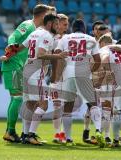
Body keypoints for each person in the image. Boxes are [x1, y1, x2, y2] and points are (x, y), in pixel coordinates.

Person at [1, 4, 53, 143]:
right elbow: (13, 36)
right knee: (18, 98)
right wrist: (10, 50)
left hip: (21, 67)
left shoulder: (37, 31)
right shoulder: (28, 25)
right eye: (48, 15)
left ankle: (17, 132)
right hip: (13, 64)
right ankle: (11, 131)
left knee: (22, 100)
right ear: (42, 15)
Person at [55, 19, 105, 147]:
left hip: (69, 74)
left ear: (72, 28)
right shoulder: (91, 39)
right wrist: (90, 70)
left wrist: (58, 73)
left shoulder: (65, 38)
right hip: (84, 73)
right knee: (93, 104)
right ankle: (99, 130)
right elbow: (98, 60)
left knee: (68, 107)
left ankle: (68, 138)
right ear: (84, 29)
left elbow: (56, 55)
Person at [49, 13, 69, 143]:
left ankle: (66, 134)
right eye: (64, 24)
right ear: (58, 23)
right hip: (56, 76)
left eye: (67, 24)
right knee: (57, 106)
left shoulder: (68, 39)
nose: (66, 27)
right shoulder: (52, 38)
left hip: (68, 78)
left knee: (66, 108)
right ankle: (57, 134)